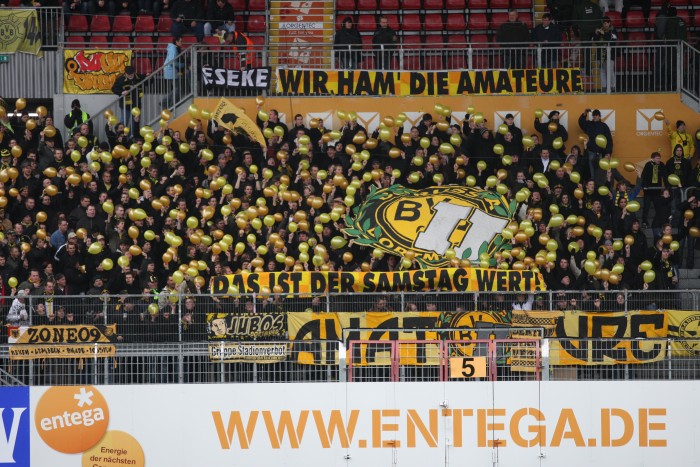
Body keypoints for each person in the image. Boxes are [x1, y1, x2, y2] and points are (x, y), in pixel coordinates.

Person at [579, 108, 613, 176]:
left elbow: (609, 140)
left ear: (599, 116)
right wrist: (585, 113)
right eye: (593, 115)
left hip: (601, 153)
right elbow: (581, 123)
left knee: (600, 172)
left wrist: (608, 152)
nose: (595, 116)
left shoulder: (604, 126)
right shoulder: (589, 124)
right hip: (591, 151)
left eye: (596, 115)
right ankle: (592, 181)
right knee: (592, 172)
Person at [640, 151, 668, 229]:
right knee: (646, 208)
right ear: (652, 159)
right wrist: (644, 186)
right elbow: (644, 176)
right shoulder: (648, 165)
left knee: (658, 208)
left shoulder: (662, 165)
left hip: (657, 191)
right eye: (657, 158)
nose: (658, 160)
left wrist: (667, 187)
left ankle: (659, 223)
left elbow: (665, 176)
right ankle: (644, 222)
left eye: (659, 158)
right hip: (648, 191)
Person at [592, 16, 617, 92]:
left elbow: (612, 40)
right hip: (600, 54)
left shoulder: (613, 30)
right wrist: (596, 34)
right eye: (603, 23)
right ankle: (604, 87)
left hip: (609, 55)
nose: (605, 25)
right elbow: (594, 41)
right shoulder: (600, 30)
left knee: (610, 71)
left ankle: (612, 86)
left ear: (609, 23)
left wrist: (604, 34)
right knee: (602, 71)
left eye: (606, 23)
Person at [161, 36, 186, 110]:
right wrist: (183, 65)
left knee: (176, 88)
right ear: (176, 42)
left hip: (170, 70)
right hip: (170, 70)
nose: (182, 43)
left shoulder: (173, 48)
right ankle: (168, 103)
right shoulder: (174, 49)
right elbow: (172, 62)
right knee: (176, 89)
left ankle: (167, 103)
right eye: (181, 41)